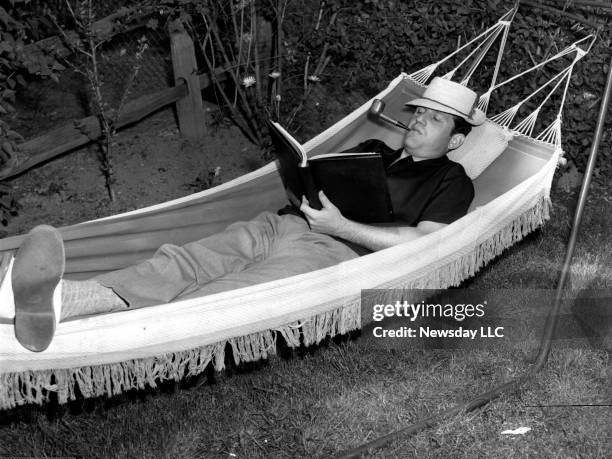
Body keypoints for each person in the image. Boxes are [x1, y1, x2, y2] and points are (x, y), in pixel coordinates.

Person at [0, 77, 485, 352]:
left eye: (436, 118)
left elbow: (426, 243)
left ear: (458, 140)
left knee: (228, 295)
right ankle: (66, 299)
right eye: (419, 110)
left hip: (338, 249)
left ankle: (96, 338)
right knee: (180, 262)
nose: (419, 119)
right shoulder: (376, 147)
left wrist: (340, 226)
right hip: (282, 222)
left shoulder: (452, 182)